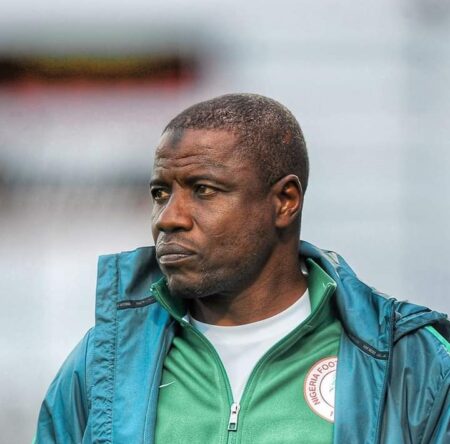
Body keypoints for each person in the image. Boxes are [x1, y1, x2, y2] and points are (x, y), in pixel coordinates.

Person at [35, 94, 450, 444]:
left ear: (285, 201)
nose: (168, 218)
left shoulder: (413, 362)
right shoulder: (105, 362)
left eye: (203, 190)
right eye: (161, 193)